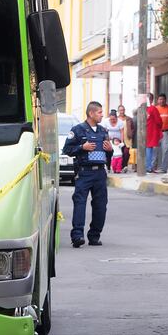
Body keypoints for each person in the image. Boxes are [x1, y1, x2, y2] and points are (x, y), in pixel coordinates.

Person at [63, 101, 111, 247]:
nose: (102, 115)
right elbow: (67, 149)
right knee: (80, 203)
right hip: (84, 173)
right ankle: (77, 236)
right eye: (99, 112)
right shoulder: (78, 130)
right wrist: (81, 147)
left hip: (100, 174)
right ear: (91, 113)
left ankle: (94, 236)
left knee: (100, 205)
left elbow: (108, 156)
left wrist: (110, 150)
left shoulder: (103, 131)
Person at [155, 93, 168, 172]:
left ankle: (163, 169)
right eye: (160, 99)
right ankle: (153, 167)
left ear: (165, 100)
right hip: (156, 133)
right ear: (157, 100)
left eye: (163, 99)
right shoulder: (155, 109)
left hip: (166, 133)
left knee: (165, 150)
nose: (161, 101)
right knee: (155, 150)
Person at [145, 93, 162, 172]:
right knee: (150, 149)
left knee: (146, 149)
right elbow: (159, 121)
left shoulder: (141, 108)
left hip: (143, 131)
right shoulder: (153, 109)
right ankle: (149, 167)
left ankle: (147, 166)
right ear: (151, 100)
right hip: (151, 131)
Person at [117, 104, 134, 172]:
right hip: (118, 138)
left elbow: (133, 128)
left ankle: (125, 165)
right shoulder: (116, 119)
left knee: (126, 152)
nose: (122, 111)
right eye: (120, 110)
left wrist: (131, 134)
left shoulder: (129, 118)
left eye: (123, 110)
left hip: (127, 138)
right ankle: (119, 166)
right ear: (118, 111)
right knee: (119, 152)